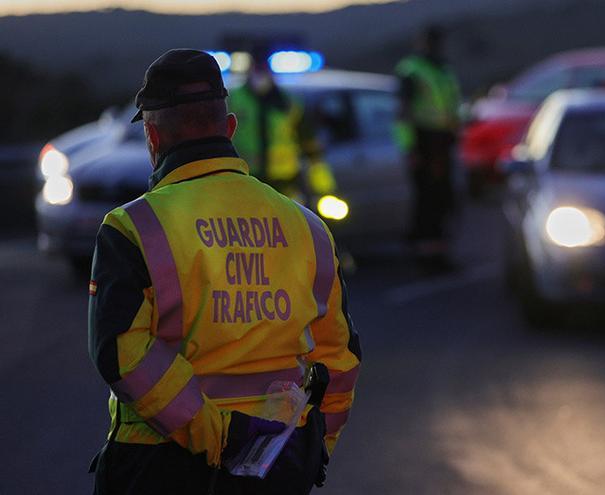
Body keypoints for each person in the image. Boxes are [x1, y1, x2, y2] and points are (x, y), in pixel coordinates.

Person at [87, 49, 361, 494]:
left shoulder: (133, 227)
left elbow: (122, 354)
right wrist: (315, 446)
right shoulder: (308, 228)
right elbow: (340, 357)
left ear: (153, 138)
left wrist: (217, 436)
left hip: (159, 465)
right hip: (278, 461)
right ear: (230, 128)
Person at [227, 47, 336, 204]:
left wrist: (324, 188)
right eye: (256, 69)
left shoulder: (289, 102)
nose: (260, 76)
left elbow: (311, 147)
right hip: (245, 181)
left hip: (285, 183)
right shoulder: (233, 100)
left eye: (263, 70)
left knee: (289, 225)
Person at [394, 25, 461, 271]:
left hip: (443, 142)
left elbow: (450, 106)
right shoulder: (412, 71)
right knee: (428, 202)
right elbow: (402, 114)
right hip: (424, 144)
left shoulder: (443, 69)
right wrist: (410, 149)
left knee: (443, 200)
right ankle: (426, 258)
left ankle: (438, 255)